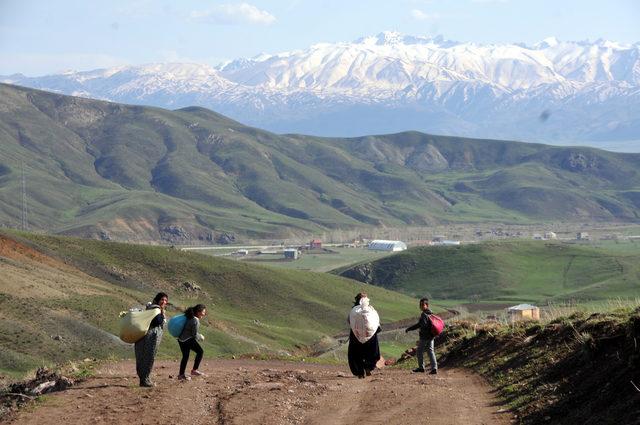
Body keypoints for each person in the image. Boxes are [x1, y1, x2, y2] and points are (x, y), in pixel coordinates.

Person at [135, 292, 168, 387]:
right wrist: (162, 314)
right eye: (162, 299)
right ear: (158, 300)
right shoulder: (156, 309)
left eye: (165, 300)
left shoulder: (150, 307)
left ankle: (144, 379)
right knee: (149, 357)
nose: (164, 302)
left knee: (142, 357)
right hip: (150, 337)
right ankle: (145, 380)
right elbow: (158, 321)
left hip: (145, 336)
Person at [347, 292, 381, 379]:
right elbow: (376, 321)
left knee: (356, 354)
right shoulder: (370, 309)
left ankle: (360, 372)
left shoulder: (353, 310)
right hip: (370, 336)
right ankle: (368, 367)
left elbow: (349, 321)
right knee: (372, 352)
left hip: (356, 336)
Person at [405, 297, 438, 374]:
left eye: (423, 305)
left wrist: (409, 329)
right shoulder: (431, 313)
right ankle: (434, 368)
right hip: (431, 336)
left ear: (427, 305)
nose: (421, 306)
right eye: (420, 305)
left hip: (425, 337)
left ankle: (421, 368)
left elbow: (421, 325)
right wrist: (410, 328)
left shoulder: (424, 314)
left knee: (419, 351)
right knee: (431, 351)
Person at [177, 304, 207, 381]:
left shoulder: (189, 317)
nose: (204, 314)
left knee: (185, 357)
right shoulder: (195, 320)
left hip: (181, 339)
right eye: (203, 312)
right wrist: (201, 337)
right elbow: (194, 334)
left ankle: (181, 375)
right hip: (188, 340)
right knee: (200, 352)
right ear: (198, 312)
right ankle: (194, 370)